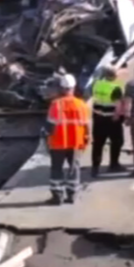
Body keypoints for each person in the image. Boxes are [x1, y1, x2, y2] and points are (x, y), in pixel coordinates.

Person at [46, 72, 90, 205]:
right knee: (74, 168)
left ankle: (57, 196)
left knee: (56, 168)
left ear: (61, 88)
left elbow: (50, 126)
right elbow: (86, 125)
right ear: (74, 88)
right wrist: (87, 138)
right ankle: (72, 195)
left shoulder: (56, 104)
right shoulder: (81, 104)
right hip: (76, 142)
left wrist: (46, 138)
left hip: (58, 143)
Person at [89, 65, 125, 178]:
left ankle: (95, 167)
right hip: (111, 119)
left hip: (98, 117)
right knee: (117, 141)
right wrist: (117, 116)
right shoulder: (116, 87)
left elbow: (94, 98)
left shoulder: (97, 84)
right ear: (114, 75)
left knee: (98, 143)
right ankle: (114, 164)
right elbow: (118, 105)